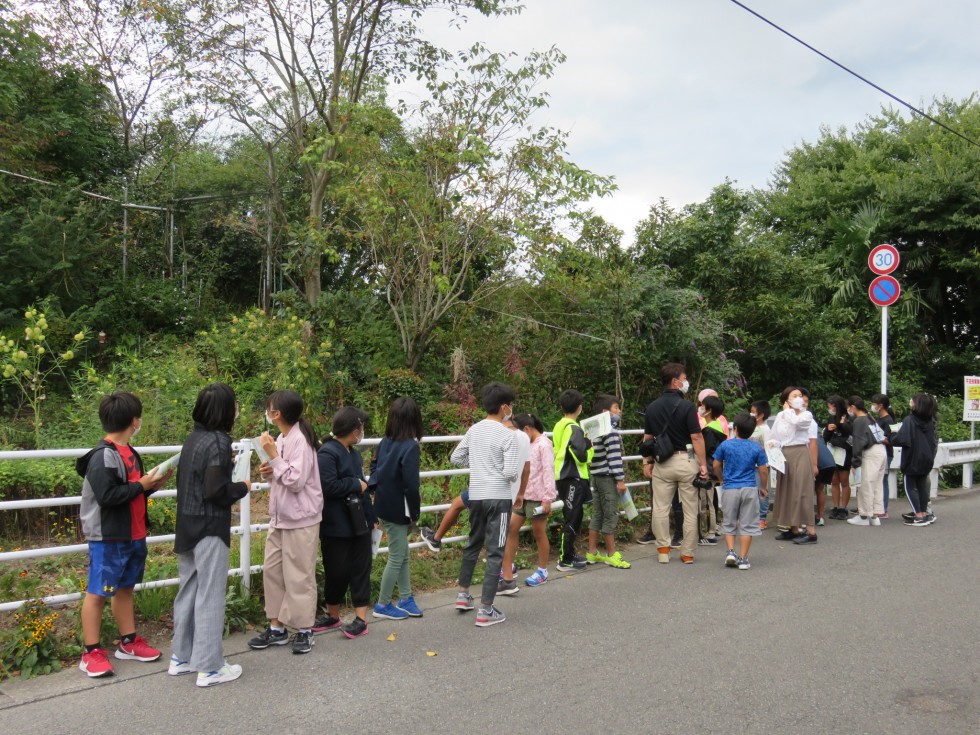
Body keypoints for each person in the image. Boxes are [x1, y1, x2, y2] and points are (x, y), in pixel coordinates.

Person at [76, 391, 172, 678]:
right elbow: (107, 496)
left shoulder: (130, 452)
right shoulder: (103, 456)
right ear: (134, 420)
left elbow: (131, 490)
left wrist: (151, 485)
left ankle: (128, 642)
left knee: (125, 588)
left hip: (134, 533)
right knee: (97, 593)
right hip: (108, 537)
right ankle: (90, 652)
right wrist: (141, 486)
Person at [171, 383, 249, 687]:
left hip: (186, 523)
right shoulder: (219, 441)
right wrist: (242, 486)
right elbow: (216, 490)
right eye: (234, 404)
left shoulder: (193, 439)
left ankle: (182, 657)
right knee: (210, 593)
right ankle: (210, 667)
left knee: (188, 589)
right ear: (225, 410)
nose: (236, 409)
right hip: (209, 525)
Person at [248, 390, 323, 654]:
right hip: (280, 517)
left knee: (299, 575)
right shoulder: (281, 437)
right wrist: (269, 470)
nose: (267, 412)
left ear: (277, 413)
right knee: (273, 571)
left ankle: (304, 630)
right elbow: (281, 475)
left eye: (269, 408)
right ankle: (277, 628)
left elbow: (295, 481)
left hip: (301, 519)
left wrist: (274, 458)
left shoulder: (300, 439)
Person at [450, 382, 520, 627]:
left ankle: (463, 594)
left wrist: (479, 464)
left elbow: (455, 457)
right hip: (498, 498)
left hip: (476, 495)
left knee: (473, 543)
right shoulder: (507, 435)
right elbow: (511, 472)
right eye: (510, 405)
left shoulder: (474, 429)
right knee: (495, 551)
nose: (511, 409)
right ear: (503, 407)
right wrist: (497, 469)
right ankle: (486, 610)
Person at [316, 406, 375, 639]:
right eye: (361, 428)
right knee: (336, 571)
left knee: (361, 569)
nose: (362, 432)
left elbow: (364, 488)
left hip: (359, 521)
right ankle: (333, 615)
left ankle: (361, 619)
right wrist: (354, 484)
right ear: (353, 430)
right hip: (336, 523)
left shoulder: (353, 453)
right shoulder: (327, 453)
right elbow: (327, 486)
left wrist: (372, 518)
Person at [641, 363, 707, 564]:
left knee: (660, 507)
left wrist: (647, 462)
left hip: (662, 463)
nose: (686, 382)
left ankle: (662, 550)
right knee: (689, 508)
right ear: (675, 381)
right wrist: (703, 464)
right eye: (684, 378)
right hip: (685, 461)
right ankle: (687, 553)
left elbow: (648, 439)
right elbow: (696, 437)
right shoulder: (687, 407)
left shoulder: (652, 407)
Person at [371, 397, 424, 620]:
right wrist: (415, 513)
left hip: (383, 505)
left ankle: (405, 597)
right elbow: (411, 485)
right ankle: (382, 604)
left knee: (402, 555)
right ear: (414, 420)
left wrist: (376, 487)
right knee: (397, 556)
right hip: (399, 510)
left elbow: (374, 466)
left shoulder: (385, 441)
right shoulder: (411, 446)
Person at [713, 412, 769, 570]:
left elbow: (716, 464)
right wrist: (763, 488)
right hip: (750, 488)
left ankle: (730, 552)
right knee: (748, 524)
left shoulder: (725, 445)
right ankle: (743, 558)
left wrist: (721, 478)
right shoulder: (756, 448)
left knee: (729, 521)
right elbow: (763, 470)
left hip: (730, 488)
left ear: (735, 428)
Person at [512, 414, 558, 586]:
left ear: (526, 429)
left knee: (538, 533)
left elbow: (548, 471)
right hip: (522, 495)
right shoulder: (527, 443)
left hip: (538, 497)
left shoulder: (544, 444)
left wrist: (548, 498)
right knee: (511, 528)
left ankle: (542, 571)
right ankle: (509, 565)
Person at [585, 395, 631, 569]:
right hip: (608, 477)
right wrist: (620, 480)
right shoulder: (610, 431)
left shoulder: (593, 431)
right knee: (610, 513)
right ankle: (612, 554)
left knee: (597, 513)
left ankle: (592, 551)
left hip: (595, 476)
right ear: (605, 412)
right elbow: (614, 458)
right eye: (615, 408)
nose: (619, 411)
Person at [769, 387, 819, 545]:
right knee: (788, 491)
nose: (799, 398)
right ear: (787, 399)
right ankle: (793, 528)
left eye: (800, 395)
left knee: (802, 491)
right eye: (795, 396)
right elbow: (775, 435)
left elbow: (797, 422)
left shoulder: (806, 415)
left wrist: (788, 411)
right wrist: (772, 448)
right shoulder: (780, 415)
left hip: (800, 454)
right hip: (785, 454)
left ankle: (811, 532)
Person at [552, 389, 594, 571]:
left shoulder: (558, 425)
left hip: (563, 476)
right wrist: (590, 445)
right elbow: (582, 457)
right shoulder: (575, 429)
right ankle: (565, 559)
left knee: (573, 516)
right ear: (580, 408)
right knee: (573, 517)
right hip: (573, 477)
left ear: (562, 407)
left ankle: (569, 554)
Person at [892, 393, 939, 526]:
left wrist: (892, 436)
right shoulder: (930, 421)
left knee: (910, 487)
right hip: (927, 459)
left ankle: (918, 516)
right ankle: (924, 513)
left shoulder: (910, 420)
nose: (910, 402)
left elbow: (902, 439)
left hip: (912, 458)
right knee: (922, 487)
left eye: (911, 401)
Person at [497, 416, 531, 595]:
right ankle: (507, 575)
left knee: (494, 535)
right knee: (507, 532)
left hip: (491, 492)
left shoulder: (497, 434)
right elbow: (527, 468)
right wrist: (520, 493)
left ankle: (505, 577)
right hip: (511, 494)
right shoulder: (524, 436)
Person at [845, 396, 887, 526]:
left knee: (865, 485)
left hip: (870, 453)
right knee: (876, 485)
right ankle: (875, 516)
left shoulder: (859, 421)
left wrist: (855, 463)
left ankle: (863, 516)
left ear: (853, 407)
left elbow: (858, 443)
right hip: (881, 450)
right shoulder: (870, 417)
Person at [698, 395, 727, 546]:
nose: (700, 409)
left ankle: (708, 533)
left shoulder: (709, 430)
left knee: (706, 502)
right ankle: (711, 530)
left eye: (703, 406)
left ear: (708, 411)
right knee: (711, 501)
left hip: (707, 470)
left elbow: (705, 450)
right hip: (714, 469)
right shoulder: (718, 427)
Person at [824, 394, 853, 520]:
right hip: (833, 452)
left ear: (836, 406)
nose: (829, 408)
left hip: (845, 453)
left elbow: (851, 436)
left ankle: (843, 507)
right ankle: (835, 507)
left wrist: (841, 425)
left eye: (830, 406)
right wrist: (828, 429)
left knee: (844, 481)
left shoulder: (849, 418)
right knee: (834, 481)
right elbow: (825, 437)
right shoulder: (831, 418)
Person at [870, 393, 896, 517]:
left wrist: (878, 437)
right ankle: (876, 507)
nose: (873, 406)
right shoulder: (878, 419)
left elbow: (891, 440)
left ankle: (883, 509)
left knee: (883, 480)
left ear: (880, 406)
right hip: (877, 452)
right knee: (877, 480)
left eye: (874, 404)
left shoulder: (888, 420)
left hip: (886, 453)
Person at [749, 400, 772, 528]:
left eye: (753, 412)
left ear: (761, 414)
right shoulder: (751, 426)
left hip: (761, 466)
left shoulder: (765, 429)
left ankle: (762, 518)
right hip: (749, 465)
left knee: (761, 491)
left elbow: (767, 447)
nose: (751, 414)